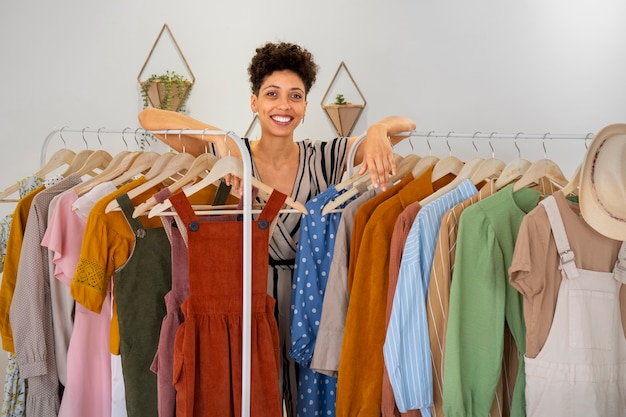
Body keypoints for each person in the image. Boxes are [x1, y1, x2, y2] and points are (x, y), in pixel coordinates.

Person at [138, 41, 415, 417]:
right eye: (272, 94)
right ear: (254, 102)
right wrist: (221, 139)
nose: (283, 106)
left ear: (304, 105)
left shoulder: (326, 156)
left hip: (313, 301)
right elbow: (149, 119)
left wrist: (379, 129)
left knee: (314, 402)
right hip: (249, 302)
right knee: (254, 402)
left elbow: (407, 127)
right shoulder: (234, 157)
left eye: (295, 96)